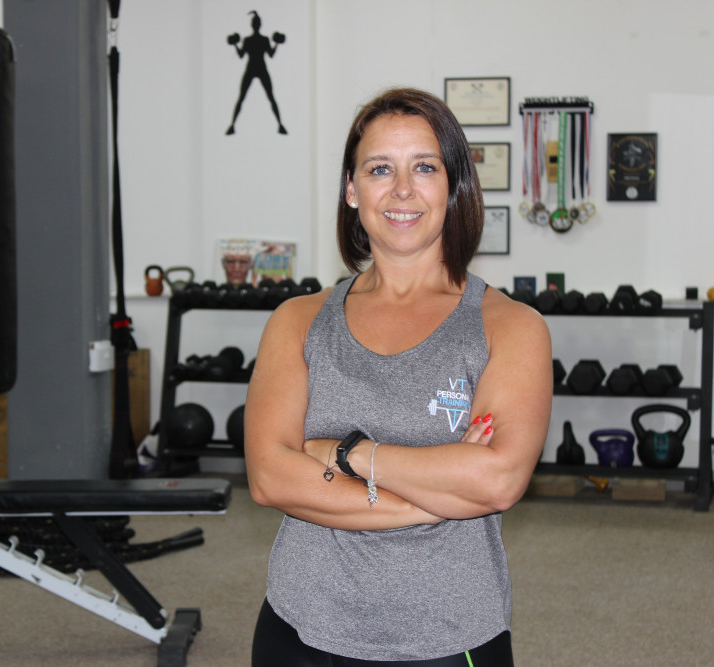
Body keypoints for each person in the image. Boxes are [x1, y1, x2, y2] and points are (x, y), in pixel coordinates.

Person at [244, 87, 552, 666]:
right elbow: (269, 477)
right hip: (301, 627)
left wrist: (349, 454)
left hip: (447, 637)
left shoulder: (510, 327)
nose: (403, 190)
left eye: (425, 167)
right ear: (351, 188)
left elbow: (497, 481)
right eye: (380, 168)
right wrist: (436, 496)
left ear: (453, 185)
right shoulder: (297, 321)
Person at [225, 11, 287, 136]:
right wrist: (236, 45)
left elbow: (268, 54)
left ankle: (280, 124)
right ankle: (232, 125)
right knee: (243, 97)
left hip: (258, 68)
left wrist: (276, 44)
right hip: (253, 68)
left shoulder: (261, 40)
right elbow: (243, 55)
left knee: (269, 96)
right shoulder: (251, 40)